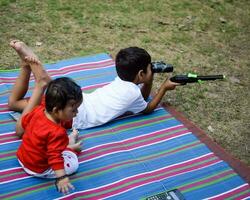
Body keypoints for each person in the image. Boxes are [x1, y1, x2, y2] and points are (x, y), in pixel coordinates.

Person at [8, 40, 83, 194]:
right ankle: (70, 146)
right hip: (37, 168)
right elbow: (54, 157)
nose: (76, 113)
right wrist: (61, 178)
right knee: (73, 163)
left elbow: (26, 122)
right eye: (74, 110)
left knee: (52, 146)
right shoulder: (57, 132)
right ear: (56, 109)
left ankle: (68, 144)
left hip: (23, 157)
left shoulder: (37, 112)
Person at [72, 47, 179, 129]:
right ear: (141, 74)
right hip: (78, 117)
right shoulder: (133, 93)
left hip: (80, 101)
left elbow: (141, 98)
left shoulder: (121, 81)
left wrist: (148, 80)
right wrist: (164, 88)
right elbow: (148, 109)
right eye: (150, 68)